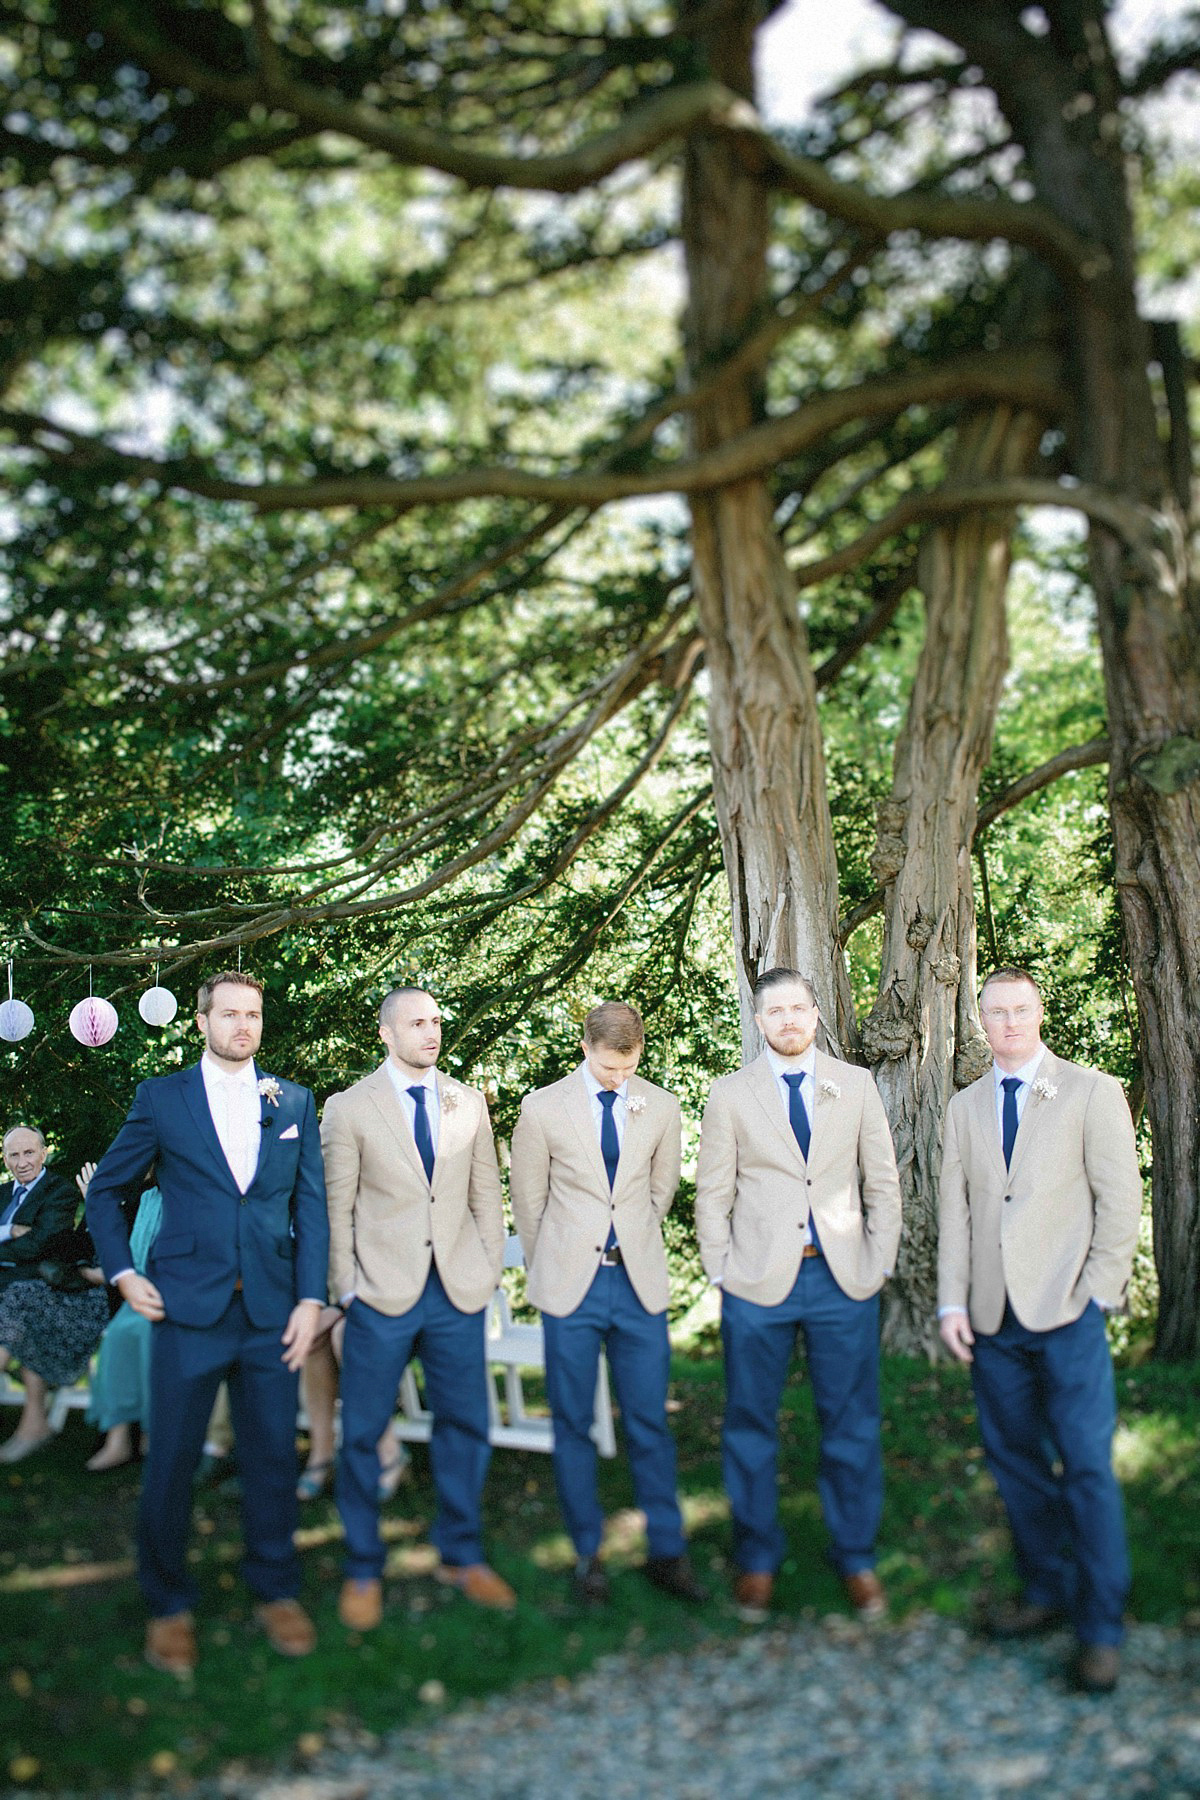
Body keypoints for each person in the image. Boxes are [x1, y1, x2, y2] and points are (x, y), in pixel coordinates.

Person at [85, 969, 329, 1677]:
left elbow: (308, 1209)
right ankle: (166, 1603)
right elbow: (107, 1192)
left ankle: (276, 1588)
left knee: (273, 1457)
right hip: (187, 1308)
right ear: (201, 1022)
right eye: (228, 1014)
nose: (242, 1026)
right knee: (172, 1462)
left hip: (273, 1313)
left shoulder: (294, 1101)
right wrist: (125, 1274)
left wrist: (311, 1300)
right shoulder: (161, 1098)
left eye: (252, 1014)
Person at [938, 966, 1142, 1694]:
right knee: (1017, 1464)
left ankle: (1101, 1628)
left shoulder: (1092, 1091)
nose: (1011, 1023)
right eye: (997, 1013)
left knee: (1085, 1467)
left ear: (1039, 1013)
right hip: (992, 1322)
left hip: (1068, 1316)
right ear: (982, 1021)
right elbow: (956, 1213)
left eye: (1022, 1010)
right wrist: (951, 1303)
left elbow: (1120, 1203)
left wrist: (1095, 1293)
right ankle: (1046, 1592)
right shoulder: (964, 1107)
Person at [695, 967, 902, 1626]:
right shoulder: (730, 1095)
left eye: (798, 1009)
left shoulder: (857, 1085)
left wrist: (876, 1264)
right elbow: (714, 1192)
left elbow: (883, 1184)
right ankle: (756, 1559)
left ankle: (856, 1557)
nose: (788, 1020)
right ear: (759, 1022)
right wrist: (722, 1270)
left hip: (843, 1279)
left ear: (816, 1016)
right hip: (758, 1282)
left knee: (851, 1424)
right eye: (774, 1011)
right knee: (750, 1424)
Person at [321, 985, 511, 1631]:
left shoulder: (467, 1101)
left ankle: (461, 1554)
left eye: (435, 1021)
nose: (431, 1032)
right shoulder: (349, 1109)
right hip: (379, 1296)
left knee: (466, 1424)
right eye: (416, 1023)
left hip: (456, 1293)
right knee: (363, 1431)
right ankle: (363, 1566)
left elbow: (487, 1194)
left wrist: (484, 1272)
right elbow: (334, 1208)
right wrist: (345, 1290)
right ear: (386, 1033)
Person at [509, 1001, 704, 1605]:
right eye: (607, 1066)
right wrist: (557, 1268)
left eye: (628, 1066)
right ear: (586, 1047)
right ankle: (587, 1555)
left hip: (638, 1283)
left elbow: (661, 1188)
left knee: (649, 1421)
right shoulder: (541, 1108)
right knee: (571, 1423)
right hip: (571, 1287)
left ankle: (667, 1551)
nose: (619, 1078)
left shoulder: (663, 1106)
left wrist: (634, 1238)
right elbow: (529, 1200)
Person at [0, 1126, 102, 1461]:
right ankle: (34, 1421)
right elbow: (26, 1242)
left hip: (30, 1283)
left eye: (29, 1153)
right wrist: (7, 1231)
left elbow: (43, 1244)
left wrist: (12, 1244)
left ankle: (34, 1424)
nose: (22, 1161)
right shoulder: (1, 1193)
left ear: (44, 1153)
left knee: (20, 1315)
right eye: (14, 1154)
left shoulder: (58, 1191)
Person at [84, 1171, 162, 1473]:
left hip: (176, 1291)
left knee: (147, 1334)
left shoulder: (192, 1195)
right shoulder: (144, 1198)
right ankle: (118, 1439)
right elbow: (129, 1250)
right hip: (140, 1291)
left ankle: (151, 1436)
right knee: (117, 1335)